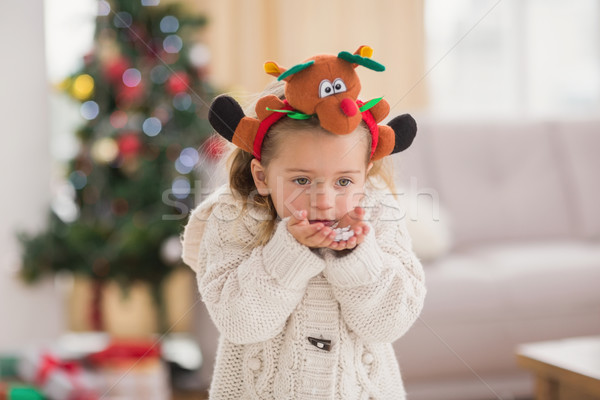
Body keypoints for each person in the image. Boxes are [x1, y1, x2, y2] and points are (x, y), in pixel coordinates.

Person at [182, 49, 426, 400]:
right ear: (263, 176)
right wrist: (288, 252)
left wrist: (358, 258)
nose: (323, 201)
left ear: (365, 174)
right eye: (301, 181)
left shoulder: (378, 215)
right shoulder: (233, 218)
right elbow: (239, 321)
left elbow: (390, 322)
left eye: (343, 182)